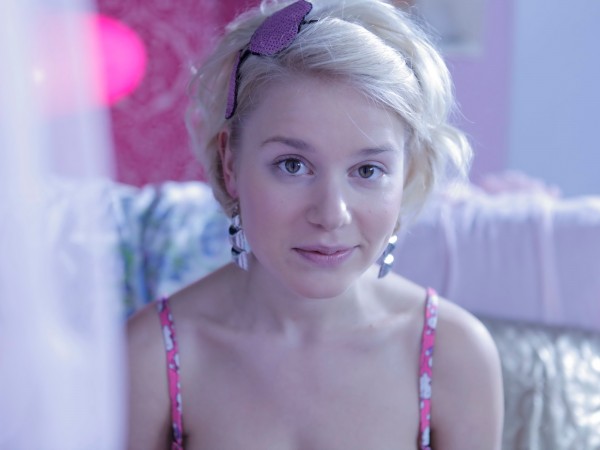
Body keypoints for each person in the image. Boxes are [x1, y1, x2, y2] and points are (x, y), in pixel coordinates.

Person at [126, 0, 504, 449]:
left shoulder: (453, 356)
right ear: (230, 162)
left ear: (406, 174)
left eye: (367, 171)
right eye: (292, 165)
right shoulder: (151, 357)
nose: (330, 213)